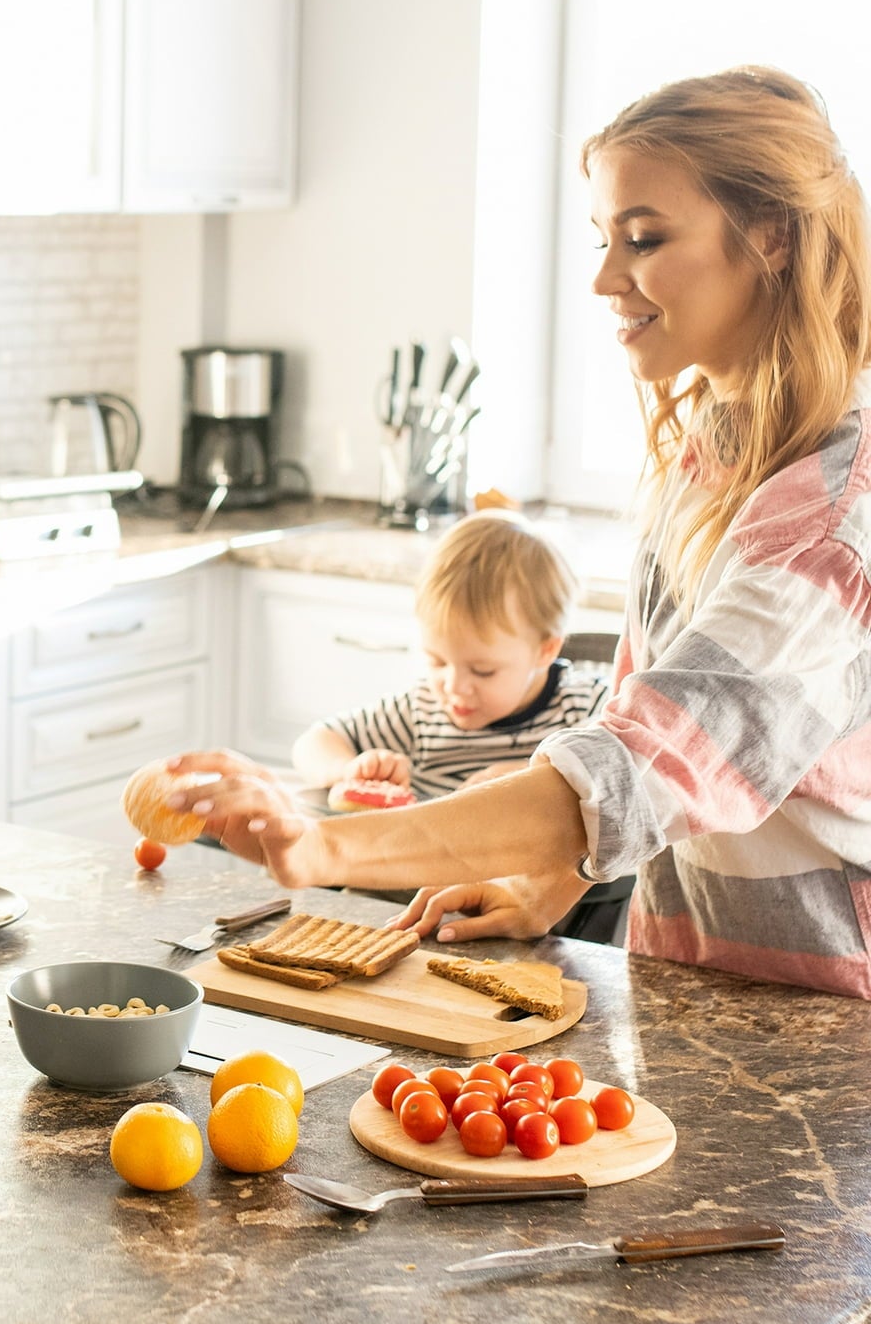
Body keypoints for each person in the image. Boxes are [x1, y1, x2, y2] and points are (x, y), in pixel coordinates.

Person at [166, 68, 871, 998]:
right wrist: (555, 875)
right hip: (699, 983)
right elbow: (648, 719)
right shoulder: (715, 439)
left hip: (832, 1026)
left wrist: (320, 844)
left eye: (645, 239)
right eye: (603, 238)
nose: (604, 278)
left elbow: (650, 760)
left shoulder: (834, 512)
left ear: (772, 236)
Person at [292, 513, 607, 804]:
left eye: (483, 671)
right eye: (437, 662)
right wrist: (351, 770)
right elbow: (314, 742)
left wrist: (533, 774)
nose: (454, 687)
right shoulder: (422, 711)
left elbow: (626, 768)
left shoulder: (585, 707)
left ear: (545, 651)